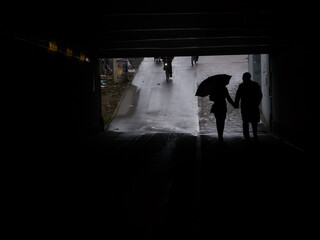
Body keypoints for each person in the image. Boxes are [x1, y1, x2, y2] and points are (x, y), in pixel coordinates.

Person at [234, 72, 263, 141]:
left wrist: (236, 104)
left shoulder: (242, 86)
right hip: (254, 106)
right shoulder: (255, 85)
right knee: (254, 121)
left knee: (245, 121)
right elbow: (260, 95)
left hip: (245, 106)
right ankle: (255, 135)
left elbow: (238, 96)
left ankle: (246, 136)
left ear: (243, 78)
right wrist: (257, 103)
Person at [209, 77, 235, 142]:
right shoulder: (224, 89)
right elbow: (228, 98)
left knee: (218, 121)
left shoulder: (214, 88)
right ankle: (221, 134)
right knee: (222, 121)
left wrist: (215, 99)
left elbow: (210, 98)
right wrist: (234, 104)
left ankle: (219, 135)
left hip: (216, 106)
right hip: (223, 106)